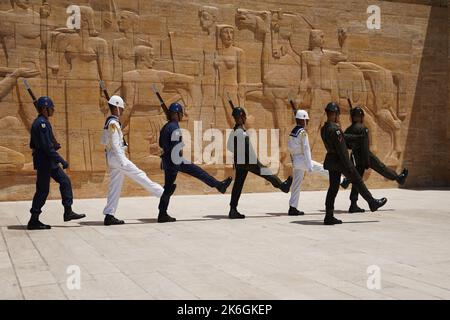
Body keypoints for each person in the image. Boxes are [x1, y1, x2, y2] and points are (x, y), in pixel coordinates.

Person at [157, 102, 233, 223]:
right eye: (180, 113)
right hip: (175, 160)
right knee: (199, 173)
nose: (182, 116)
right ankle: (219, 186)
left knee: (168, 187)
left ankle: (162, 213)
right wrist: (177, 162)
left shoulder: (166, 127)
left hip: (167, 160)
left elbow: (161, 143)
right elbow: (176, 147)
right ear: (177, 114)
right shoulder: (175, 128)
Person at [101, 95, 165, 226]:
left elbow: (107, 141)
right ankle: (161, 193)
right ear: (117, 108)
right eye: (121, 108)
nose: (123, 111)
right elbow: (114, 143)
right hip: (118, 158)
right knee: (139, 174)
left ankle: (109, 215)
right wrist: (123, 160)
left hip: (112, 158)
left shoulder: (111, 122)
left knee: (115, 186)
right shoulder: (113, 123)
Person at [320, 102, 387, 225]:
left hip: (331, 160)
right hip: (341, 161)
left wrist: (357, 138)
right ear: (335, 114)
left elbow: (342, 138)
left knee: (333, 188)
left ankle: (329, 216)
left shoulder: (324, 129)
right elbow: (342, 148)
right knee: (358, 181)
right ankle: (372, 202)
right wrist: (349, 167)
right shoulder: (336, 130)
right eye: (337, 115)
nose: (338, 117)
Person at [28, 96, 85, 230]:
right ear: (45, 109)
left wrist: (54, 146)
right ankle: (33, 220)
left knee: (65, 181)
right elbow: (46, 148)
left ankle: (68, 211)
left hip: (49, 161)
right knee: (42, 191)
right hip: (44, 162)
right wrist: (62, 160)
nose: (53, 110)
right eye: (51, 108)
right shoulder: (41, 124)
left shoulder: (43, 122)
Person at [228, 107, 293, 219]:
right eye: (241, 117)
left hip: (240, 162)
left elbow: (230, 146)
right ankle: (283, 186)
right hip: (248, 161)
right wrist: (255, 161)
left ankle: (232, 209)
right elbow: (247, 149)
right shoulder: (240, 132)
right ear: (242, 117)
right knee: (266, 172)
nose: (242, 119)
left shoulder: (235, 131)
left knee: (238, 185)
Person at [341, 106, 408, 213]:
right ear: (361, 117)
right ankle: (398, 178)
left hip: (356, 156)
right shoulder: (363, 128)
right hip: (365, 155)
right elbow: (365, 145)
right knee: (381, 167)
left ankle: (353, 203)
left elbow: (347, 145)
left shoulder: (349, 129)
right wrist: (367, 161)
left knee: (357, 181)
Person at [288, 109, 328, 216]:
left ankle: (292, 207)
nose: (307, 122)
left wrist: (293, 160)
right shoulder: (302, 133)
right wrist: (309, 166)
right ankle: (342, 181)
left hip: (296, 160)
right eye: (306, 120)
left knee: (296, 184)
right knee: (320, 168)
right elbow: (306, 149)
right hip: (302, 160)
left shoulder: (292, 132)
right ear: (302, 121)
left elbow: (290, 148)